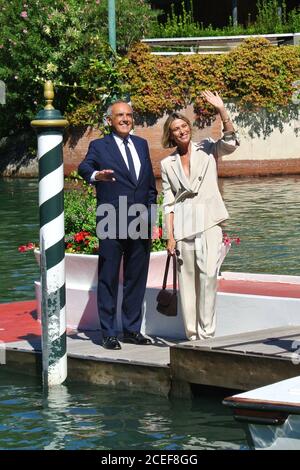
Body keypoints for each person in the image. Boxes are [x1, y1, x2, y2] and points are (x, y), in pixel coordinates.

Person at [160, 90, 239, 340]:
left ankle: (207, 335)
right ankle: (192, 336)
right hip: (183, 225)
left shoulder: (207, 148)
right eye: (176, 128)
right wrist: (169, 236)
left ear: (189, 128)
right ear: (170, 134)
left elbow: (230, 143)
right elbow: (168, 202)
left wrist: (222, 110)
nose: (182, 131)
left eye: (184, 126)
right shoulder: (166, 164)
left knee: (208, 279)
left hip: (209, 222)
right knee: (187, 282)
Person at [78, 100, 157, 350]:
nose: (125, 119)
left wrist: (151, 218)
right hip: (111, 217)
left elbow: (150, 185)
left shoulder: (142, 144)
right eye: (119, 115)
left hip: (140, 219)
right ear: (109, 120)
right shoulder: (99, 146)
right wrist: (96, 176)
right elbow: (84, 167)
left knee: (136, 277)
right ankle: (109, 333)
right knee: (109, 278)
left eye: (129, 115)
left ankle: (132, 329)